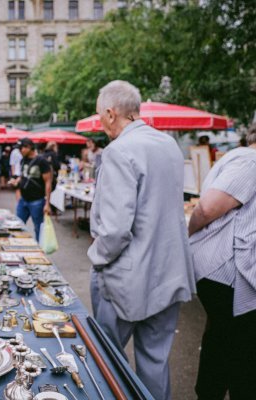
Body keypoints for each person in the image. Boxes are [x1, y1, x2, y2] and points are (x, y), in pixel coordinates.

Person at [87, 80, 194, 400]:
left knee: (107, 361)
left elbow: (116, 229)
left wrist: (97, 257)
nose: (99, 123)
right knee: (155, 363)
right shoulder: (168, 144)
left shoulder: (119, 150)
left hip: (127, 279)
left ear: (110, 113)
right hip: (169, 274)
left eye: (99, 116)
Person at [188, 126, 256, 399]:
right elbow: (206, 208)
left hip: (226, 270)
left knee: (222, 338)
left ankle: (210, 393)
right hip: (228, 269)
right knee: (240, 345)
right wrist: (188, 232)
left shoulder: (241, 159)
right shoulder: (251, 163)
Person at [11, 138, 52, 240]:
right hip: (23, 200)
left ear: (29, 147)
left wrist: (47, 204)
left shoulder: (42, 161)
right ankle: (18, 248)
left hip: (37, 201)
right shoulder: (23, 160)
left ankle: (39, 251)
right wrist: (17, 181)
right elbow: (24, 175)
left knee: (38, 228)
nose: (20, 150)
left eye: (22, 148)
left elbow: (48, 182)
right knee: (18, 226)